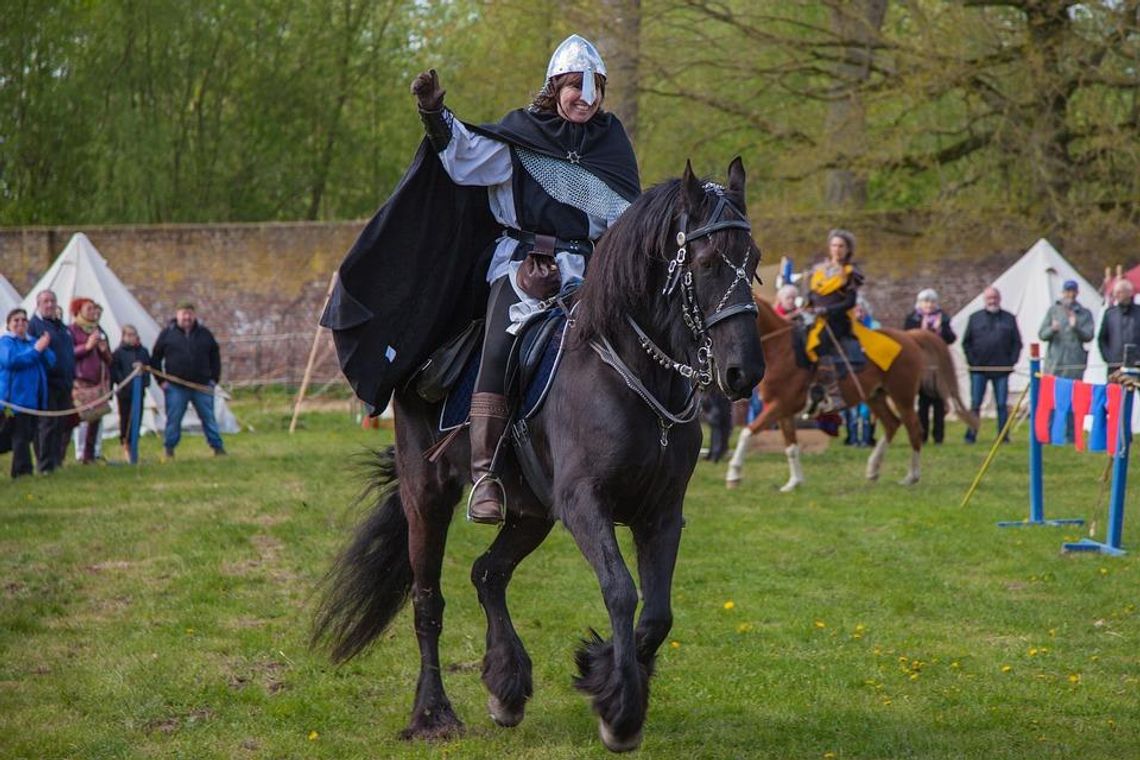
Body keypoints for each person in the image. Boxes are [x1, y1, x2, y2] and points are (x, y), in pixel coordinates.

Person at [408, 35, 640, 524]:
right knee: (501, 345)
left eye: (594, 86)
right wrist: (435, 115)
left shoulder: (611, 143)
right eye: (575, 85)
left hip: (587, 273)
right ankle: (486, 473)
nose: (585, 96)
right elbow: (466, 155)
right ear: (555, 86)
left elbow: (625, 220)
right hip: (521, 264)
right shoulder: (523, 135)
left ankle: (644, 472)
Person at [151, 301, 225, 458]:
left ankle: (217, 447)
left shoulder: (204, 333)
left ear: (194, 315)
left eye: (190, 313)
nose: (187, 317)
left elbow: (215, 356)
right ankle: (169, 448)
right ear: (177, 314)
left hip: (202, 385)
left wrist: (214, 379)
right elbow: (155, 358)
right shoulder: (167, 334)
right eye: (184, 313)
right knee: (174, 419)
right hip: (176, 386)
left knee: (208, 418)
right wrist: (161, 381)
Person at [962, 286, 1022, 442]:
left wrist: (1011, 361)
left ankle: (1003, 436)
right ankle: (971, 435)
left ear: (999, 299)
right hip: (978, 369)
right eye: (989, 298)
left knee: (1002, 404)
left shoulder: (1009, 318)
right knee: (976, 403)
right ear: (984, 299)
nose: (992, 300)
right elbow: (966, 343)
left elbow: (1017, 342)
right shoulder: (974, 318)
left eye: (995, 297)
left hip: (1001, 369)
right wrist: (973, 361)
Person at [0, 308, 56, 478]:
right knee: (17, 436)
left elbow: (51, 362)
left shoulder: (32, 342)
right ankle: (22, 471)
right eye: (16, 320)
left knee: (24, 436)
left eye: (24, 320)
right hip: (12, 401)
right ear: (9, 324)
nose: (20, 323)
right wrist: (36, 350)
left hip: (32, 400)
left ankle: (22, 471)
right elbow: (12, 361)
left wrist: (43, 347)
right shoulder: (6, 342)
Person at [27, 290, 76, 472]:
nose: (49, 304)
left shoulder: (61, 327)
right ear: (38, 304)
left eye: (52, 301)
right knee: (47, 424)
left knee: (61, 424)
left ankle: (56, 461)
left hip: (64, 382)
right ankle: (44, 464)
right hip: (46, 383)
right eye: (45, 301)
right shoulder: (34, 326)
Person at [904, 288, 956, 444]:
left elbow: (951, 338)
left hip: (938, 365)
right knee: (923, 404)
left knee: (939, 403)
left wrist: (941, 329)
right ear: (920, 303)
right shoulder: (912, 319)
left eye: (932, 301)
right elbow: (906, 337)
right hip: (921, 365)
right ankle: (923, 435)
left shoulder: (943, 318)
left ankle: (938, 437)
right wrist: (922, 329)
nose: (929, 305)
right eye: (926, 301)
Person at [70, 298, 112, 463]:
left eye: (94, 309)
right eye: (89, 309)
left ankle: (90, 455)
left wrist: (104, 351)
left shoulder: (99, 330)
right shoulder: (72, 330)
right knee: (81, 420)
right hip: (81, 381)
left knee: (96, 418)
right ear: (79, 311)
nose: (93, 312)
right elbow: (69, 353)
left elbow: (109, 360)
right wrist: (86, 347)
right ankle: (79, 453)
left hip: (98, 381)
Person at [110, 324, 151, 461]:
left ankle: (134, 446)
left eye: (134, 334)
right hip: (125, 393)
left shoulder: (143, 352)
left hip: (139, 392)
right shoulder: (118, 353)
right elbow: (116, 372)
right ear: (124, 336)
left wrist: (144, 382)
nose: (132, 337)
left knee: (137, 419)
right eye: (129, 335)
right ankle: (126, 445)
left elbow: (147, 369)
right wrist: (124, 384)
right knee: (125, 419)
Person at [1040, 279, 1094, 379]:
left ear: (1077, 293)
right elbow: (1042, 335)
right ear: (1063, 292)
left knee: (1073, 392)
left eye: (1073, 291)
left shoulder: (1084, 313)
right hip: (1054, 362)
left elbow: (1089, 336)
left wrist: (1076, 328)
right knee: (1053, 391)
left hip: (1075, 362)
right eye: (1068, 291)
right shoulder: (1053, 311)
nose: (1071, 294)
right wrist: (1052, 329)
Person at [1097, 279, 1140, 372]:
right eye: (1115, 292)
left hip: (1137, 366)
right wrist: (1109, 359)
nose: (1116, 295)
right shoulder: (1110, 314)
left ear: (1129, 293)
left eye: (1120, 292)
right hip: (1115, 366)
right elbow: (1101, 339)